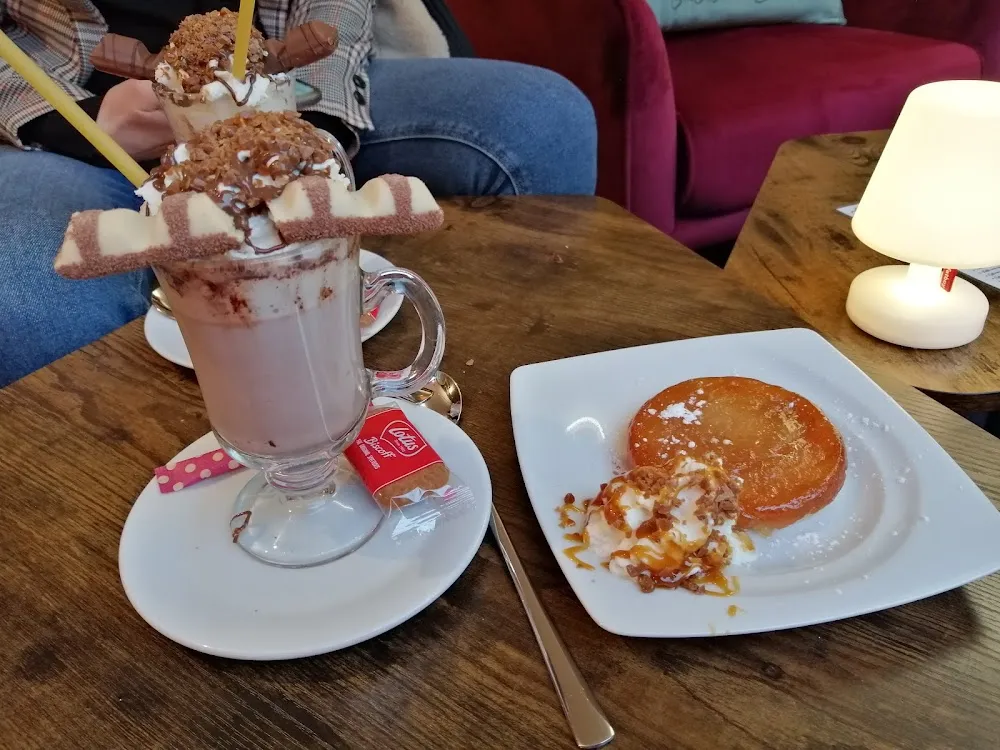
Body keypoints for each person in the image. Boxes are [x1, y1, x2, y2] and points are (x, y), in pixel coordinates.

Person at [0, 0, 597, 387]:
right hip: (76, 121)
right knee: (24, 294)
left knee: (543, 120)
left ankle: (518, 398)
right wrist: (74, 123)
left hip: (293, 87)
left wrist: (317, 137)